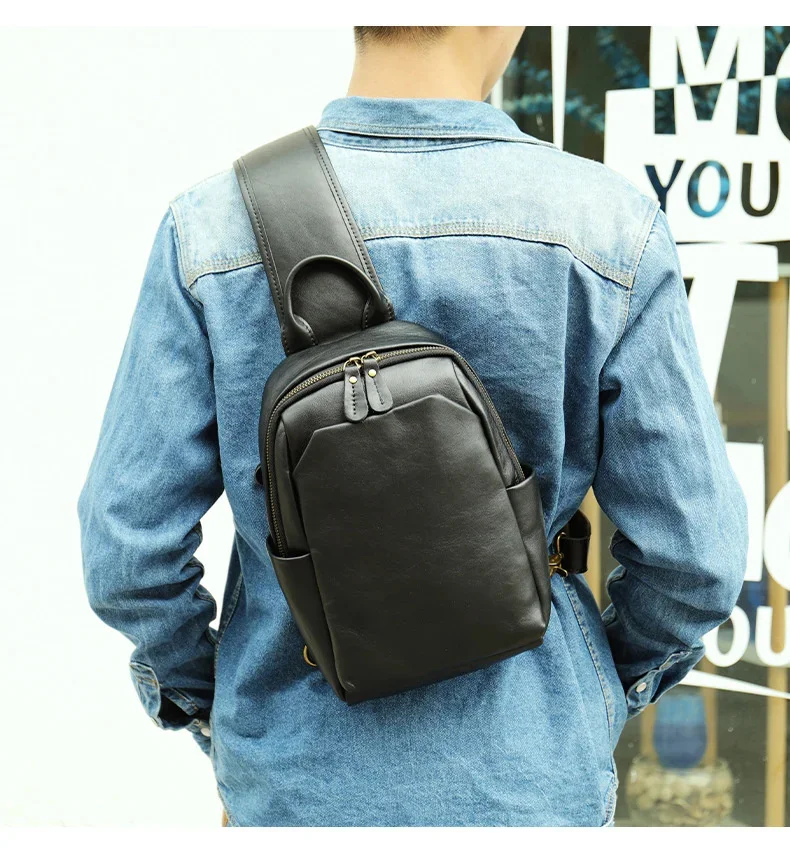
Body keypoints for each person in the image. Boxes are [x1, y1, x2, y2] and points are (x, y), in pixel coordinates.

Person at [78, 25, 748, 827]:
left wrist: (226, 711)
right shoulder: (609, 227)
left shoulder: (211, 230)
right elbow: (694, 561)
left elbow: (128, 552)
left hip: (295, 787)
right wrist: (596, 687)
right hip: (529, 782)